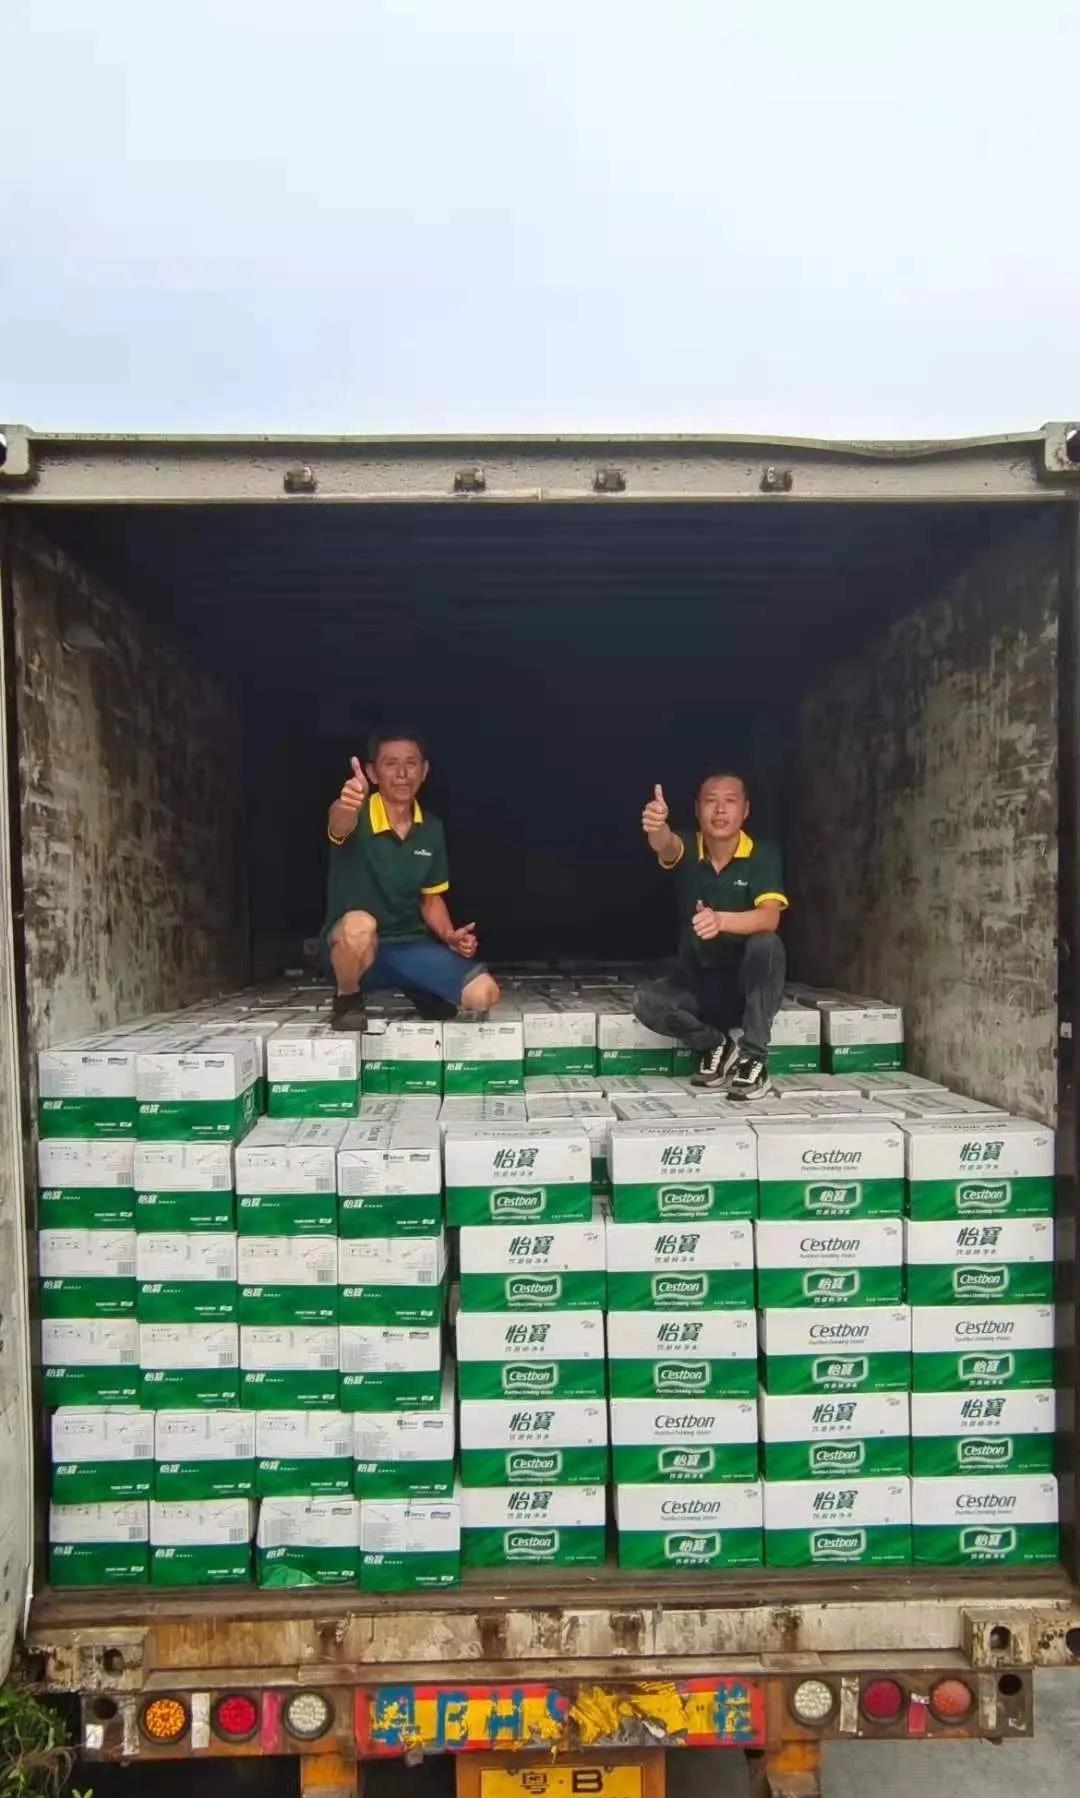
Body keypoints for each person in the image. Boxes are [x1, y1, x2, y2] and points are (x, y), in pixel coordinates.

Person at [323, 730, 500, 1031]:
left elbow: (430, 898)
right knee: (360, 926)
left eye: (411, 763)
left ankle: (416, 984)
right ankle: (347, 999)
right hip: (353, 951)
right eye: (390, 764)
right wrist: (347, 804)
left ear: (424, 770)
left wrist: (449, 936)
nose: (402, 774)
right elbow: (339, 823)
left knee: (485, 994)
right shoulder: (356, 814)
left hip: (408, 945)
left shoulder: (431, 828)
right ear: (372, 773)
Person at [633, 772, 787, 1099]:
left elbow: (770, 917)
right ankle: (715, 1045)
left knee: (767, 944)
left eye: (730, 801)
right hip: (700, 986)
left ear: (745, 810)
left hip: (747, 990)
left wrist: (721, 920)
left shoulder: (763, 854)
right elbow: (666, 845)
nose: (720, 810)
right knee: (647, 1001)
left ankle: (754, 1058)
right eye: (710, 801)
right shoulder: (689, 848)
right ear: (697, 809)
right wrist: (657, 826)